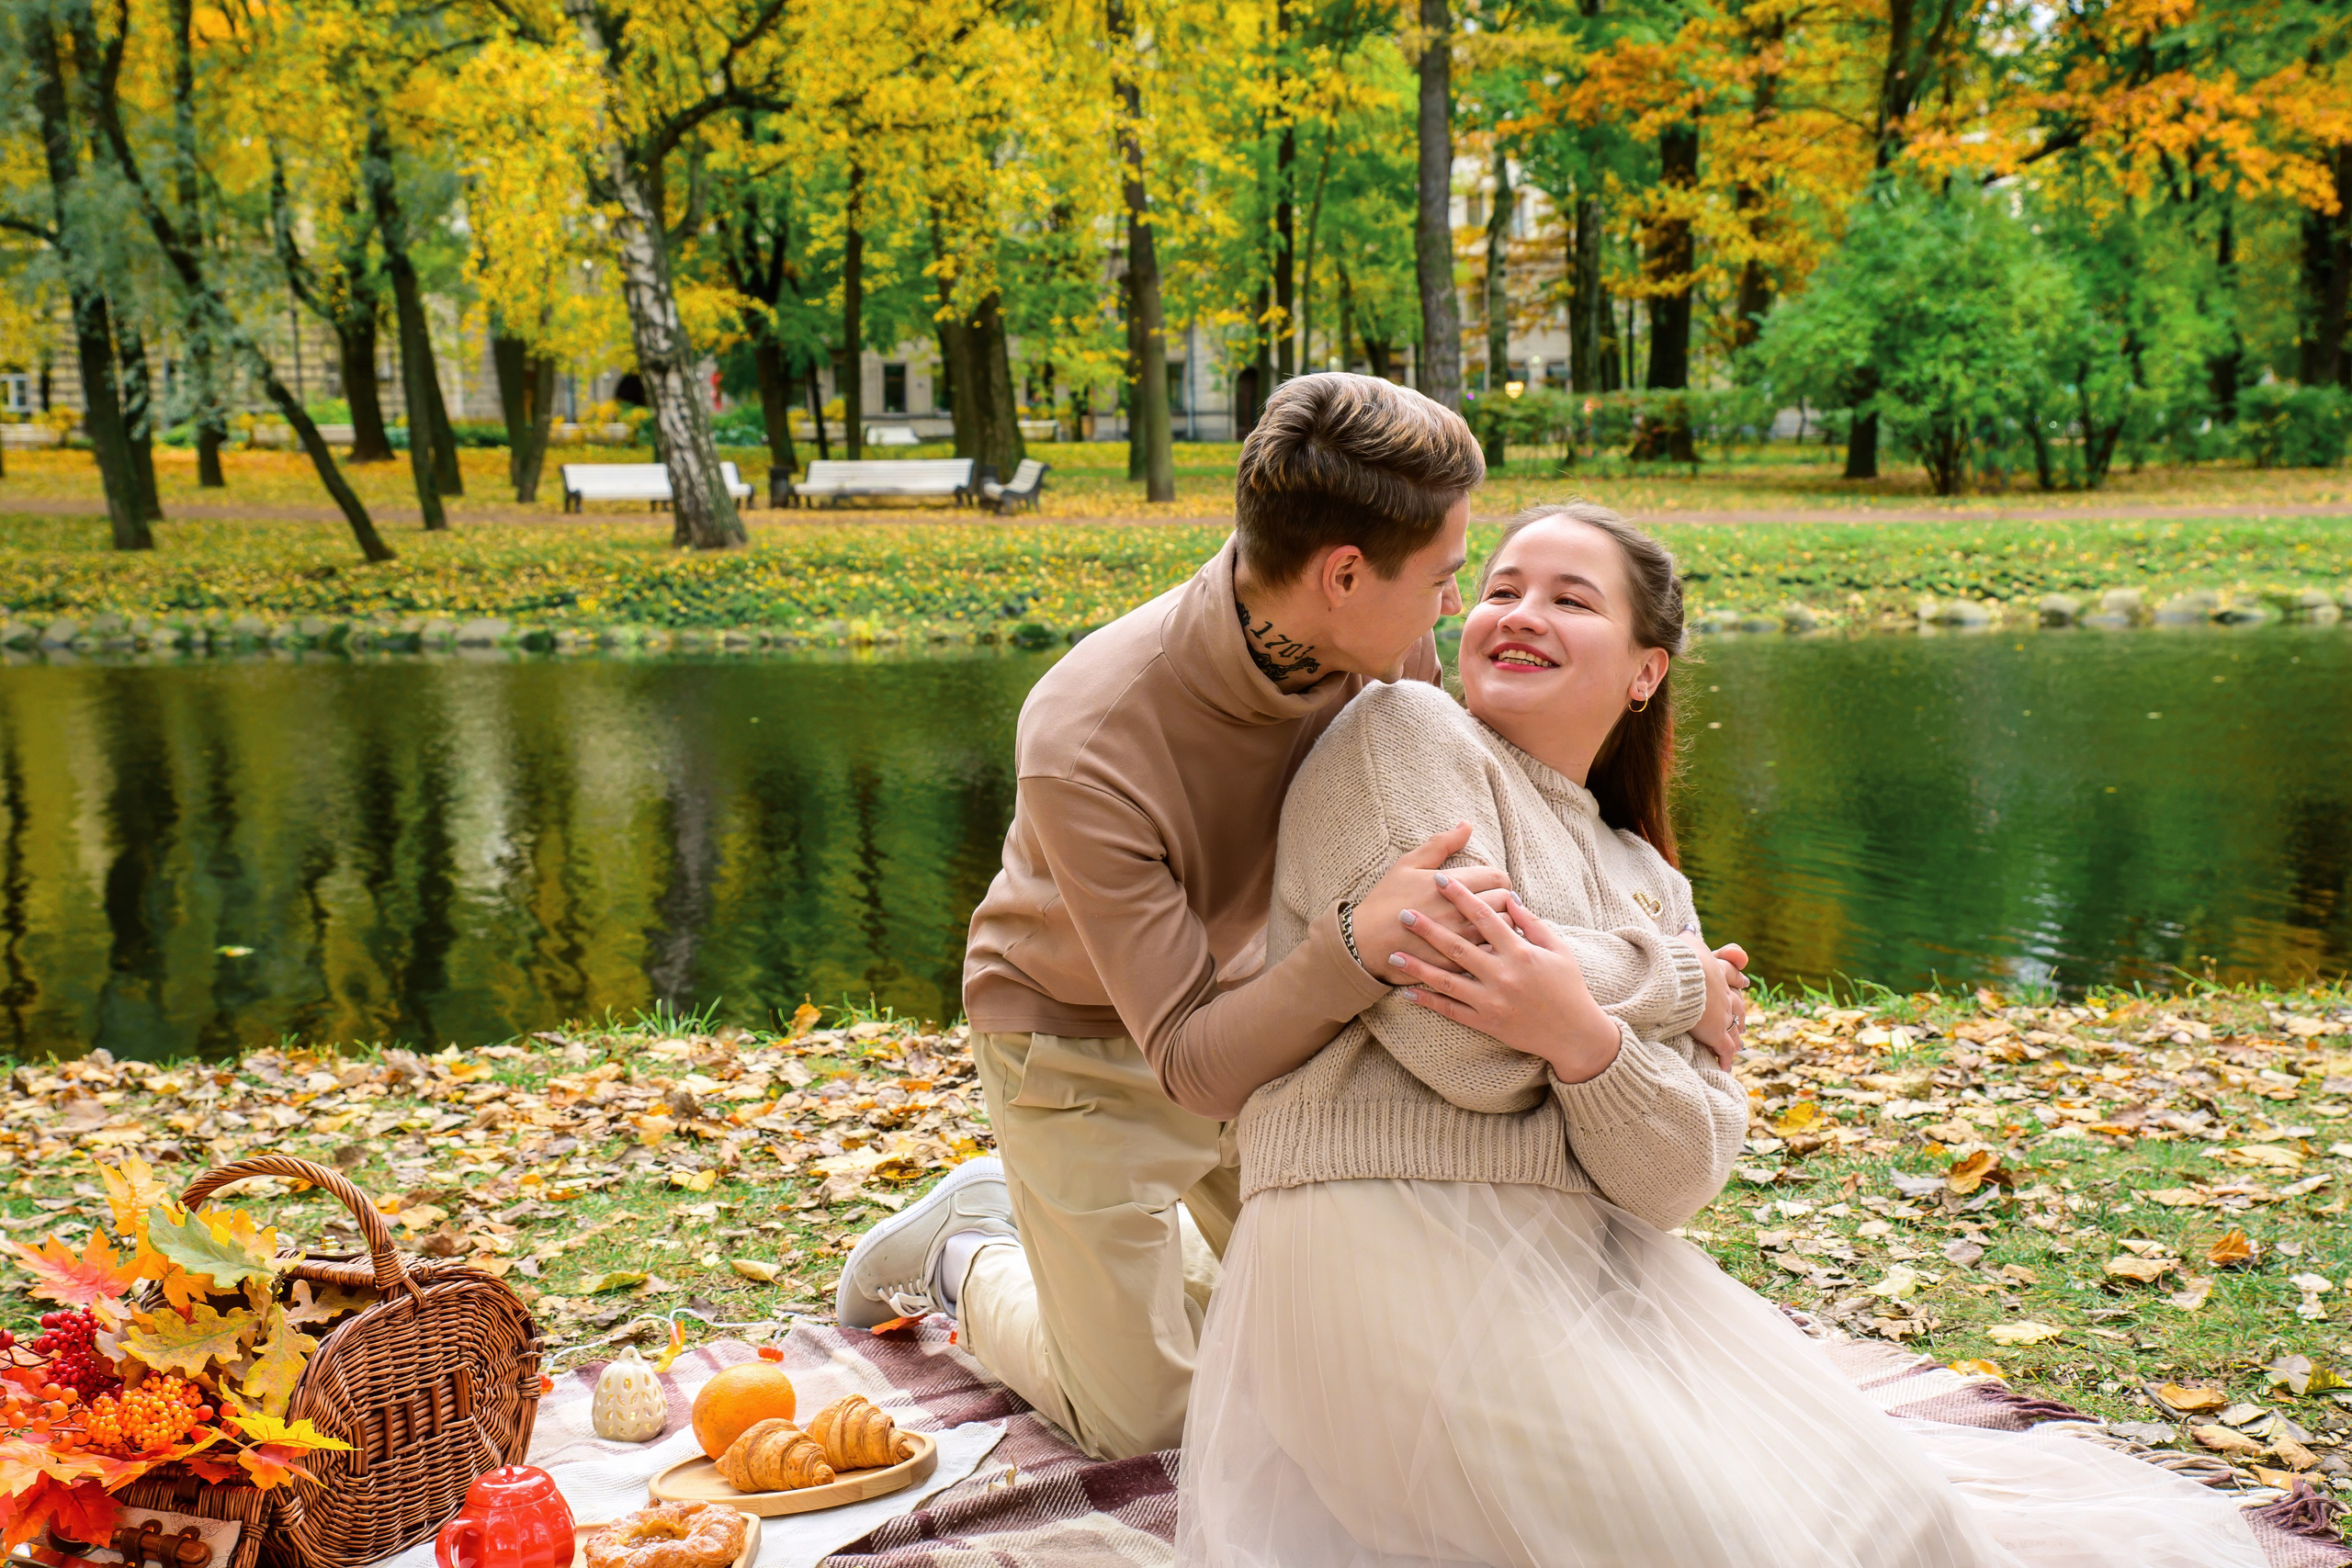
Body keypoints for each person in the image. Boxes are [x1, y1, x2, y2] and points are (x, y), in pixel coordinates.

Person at [1173, 502, 2266, 1567]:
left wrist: (1583, 1042)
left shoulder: (1651, 881)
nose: (1518, 611)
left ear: (1646, 670)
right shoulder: (1401, 732)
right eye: (1500, 587)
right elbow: (1459, 1044)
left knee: (1913, 1525)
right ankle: (993, 1263)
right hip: (1379, 1250)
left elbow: (1673, 1174)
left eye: (1569, 598)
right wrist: (1676, 987)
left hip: (1588, 1272)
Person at [835, 375, 1609, 1461]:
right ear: (1343, 574)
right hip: (1075, 1042)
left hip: (1268, 1016)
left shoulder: (1380, 646)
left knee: (1355, 1348)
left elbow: (1513, 821)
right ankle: (966, 1252)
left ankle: (1111, 1262)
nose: (1451, 607)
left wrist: (1660, 971)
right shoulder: (1088, 731)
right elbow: (1192, 1064)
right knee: (1147, 1426)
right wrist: (1353, 944)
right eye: (1443, 577)